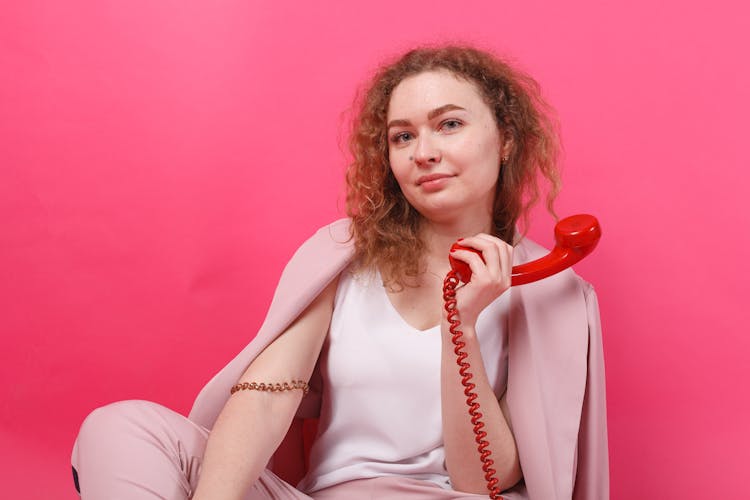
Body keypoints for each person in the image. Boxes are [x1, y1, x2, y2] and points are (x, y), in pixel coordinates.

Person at [72, 45, 608, 499]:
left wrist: (461, 328)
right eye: (402, 136)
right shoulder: (345, 253)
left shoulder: (550, 290)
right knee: (121, 428)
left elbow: (482, 481)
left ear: (506, 139)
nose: (424, 153)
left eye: (449, 124)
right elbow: (265, 395)